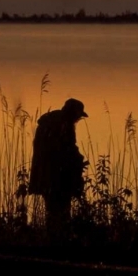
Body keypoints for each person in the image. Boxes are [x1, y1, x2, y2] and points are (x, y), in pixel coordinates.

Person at [29, 98, 88, 239]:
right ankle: (59, 242)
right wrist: (78, 162)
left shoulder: (48, 123)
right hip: (58, 178)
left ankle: (52, 240)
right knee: (61, 212)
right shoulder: (64, 125)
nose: (78, 119)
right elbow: (66, 151)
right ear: (73, 114)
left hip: (44, 176)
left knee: (52, 211)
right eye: (78, 116)